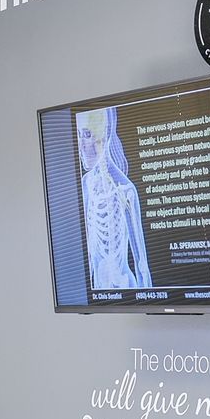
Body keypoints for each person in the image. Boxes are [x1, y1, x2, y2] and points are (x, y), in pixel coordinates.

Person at [76, 107, 151, 289]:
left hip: (126, 286)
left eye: (87, 135)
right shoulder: (86, 185)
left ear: (105, 135)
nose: (81, 146)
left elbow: (142, 265)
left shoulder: (125, 190)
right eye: (78, 135)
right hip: (99, 290)